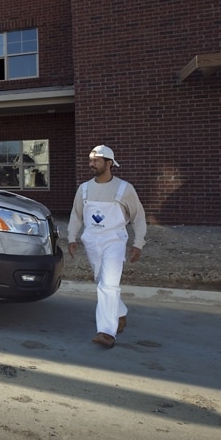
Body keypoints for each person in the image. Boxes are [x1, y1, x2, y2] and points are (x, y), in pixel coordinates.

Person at [68, 145, 147, 349]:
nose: (91, 163)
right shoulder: (84, 189)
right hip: (92, 241)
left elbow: (138, 217)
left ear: (109, 163)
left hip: (114, 241)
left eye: (96, 160)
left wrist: (138, 243)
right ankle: (119, 312)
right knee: (102, 282)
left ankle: (106, 332)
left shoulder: (124, 189)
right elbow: (76, 215)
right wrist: (71, 237)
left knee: (108, 285)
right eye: (90, 159)